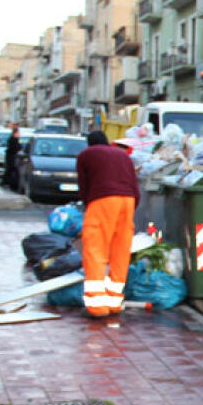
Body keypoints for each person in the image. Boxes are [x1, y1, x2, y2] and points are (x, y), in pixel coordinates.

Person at [77, 131, 140, 317]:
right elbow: (134, 185)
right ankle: (114, 301)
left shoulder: (86, 155)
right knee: (120, 250)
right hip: (128, 201)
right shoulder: (122, 155)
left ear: (90, 144)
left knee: (95, 249)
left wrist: (89, 204)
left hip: (103, 199)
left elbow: (84, 185)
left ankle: (97, 306)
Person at [3, 124, 22, 190]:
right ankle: (7, 183)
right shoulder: (13, 140)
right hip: (11, 157)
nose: (19, 134)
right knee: (10, 170)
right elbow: (14, 148)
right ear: (15, 133)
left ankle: (8, 183)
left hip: (13, 157)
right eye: (18, 133)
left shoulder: (16, 140)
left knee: (10, 170)